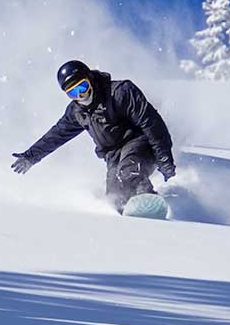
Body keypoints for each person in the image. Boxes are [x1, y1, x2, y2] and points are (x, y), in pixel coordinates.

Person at [11, 60, 177, 213]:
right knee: (115, 197)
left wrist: (164, 159)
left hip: (140, 143)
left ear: (90, 78)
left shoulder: (120, 92)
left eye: (82, 87)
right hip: (113, 156)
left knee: (128, 171)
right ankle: (134, 215)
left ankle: (147, 198)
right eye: (73, 93)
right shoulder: (77, 112)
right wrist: (31, 156)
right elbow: (56, 135)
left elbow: (152, 124)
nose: (81, 96)